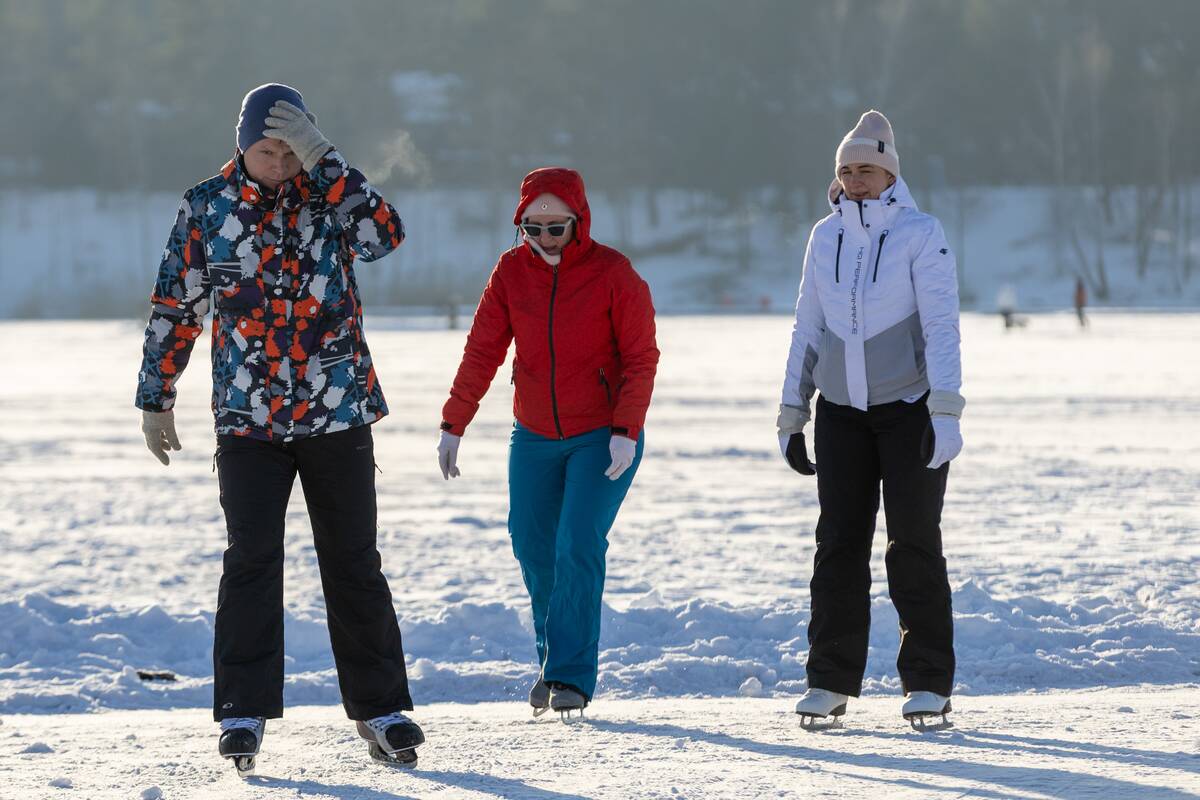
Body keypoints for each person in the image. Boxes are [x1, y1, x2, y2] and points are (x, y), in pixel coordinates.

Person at [134, 83, 424, 772]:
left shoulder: (330, 193)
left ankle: (383, 709)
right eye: (268, 150)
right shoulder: (208, 205)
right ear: (243, 145)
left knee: (354, 561)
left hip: (337, 411)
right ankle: (242, 711)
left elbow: (384, 236)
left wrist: (328, 162)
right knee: (251, 560)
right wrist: (156, 395)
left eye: (293, 151)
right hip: (248, 419)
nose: (280, 162)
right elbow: (178, 303)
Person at [436, 167, 659, 716]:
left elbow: (640, 358)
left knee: (577, 544)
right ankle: (552, 663)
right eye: (531, 230)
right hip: (533, 433)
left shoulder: (614, 274)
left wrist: (625, 430)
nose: (543, 240)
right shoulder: (511, 273)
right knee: (533, 546)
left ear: (578, 222)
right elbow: (483, 350)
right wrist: (454, 421)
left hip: (603, 437)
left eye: (554, 228)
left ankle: (570, 676)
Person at [777, 110, 965, 730]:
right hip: (840, 416)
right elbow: (807, 326)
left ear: (890, 173)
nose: (856, 180)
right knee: (837, 546)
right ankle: (829, 681)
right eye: (847, 170)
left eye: (868, 169)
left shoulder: (920, 233)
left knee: (913, 544)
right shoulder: (823, 236)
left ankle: (928, 683)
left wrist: (946, 410)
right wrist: (792, 411)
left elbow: (941, 328)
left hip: (908, 412)